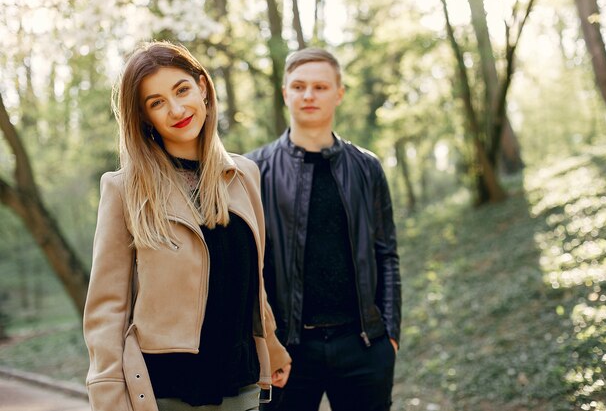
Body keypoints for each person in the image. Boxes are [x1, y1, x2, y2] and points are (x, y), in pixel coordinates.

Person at [83, 41, 291, 411]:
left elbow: (253, 279)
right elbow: (106, 310)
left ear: (203, 88)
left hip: (240, 386)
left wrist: (272, 344)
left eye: (181, 90)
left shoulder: (244, 175)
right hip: (166, 390)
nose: (177, 109)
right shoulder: (123, 189)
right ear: (144, 117)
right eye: (156, 102)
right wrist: (108, 396)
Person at [245, 47, 401, 411]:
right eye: (298, 86)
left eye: (320, 86)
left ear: (339, 93)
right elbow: (247, 270)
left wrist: (389, 336)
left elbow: (386, 254)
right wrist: (264, 344)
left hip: (363, 346)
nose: (309, 95)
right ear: (285, 93)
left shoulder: (367, 168)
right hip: (287, 351)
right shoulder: (254, 170)